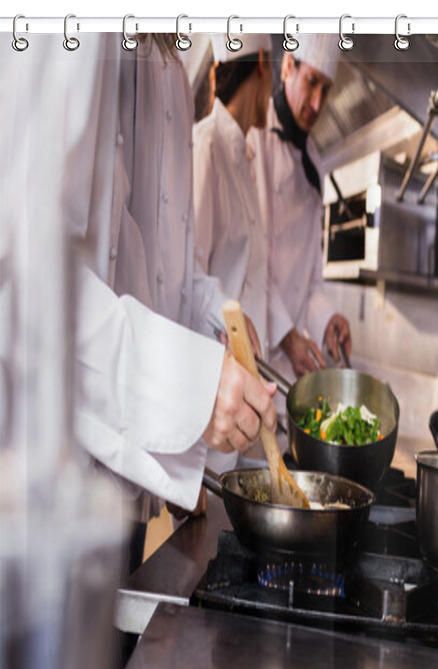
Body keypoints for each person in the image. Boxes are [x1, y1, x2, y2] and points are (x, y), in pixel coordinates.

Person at [0, 33, 277, 573]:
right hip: (39, 486)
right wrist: (192, 393)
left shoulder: (166, 65)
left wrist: (220, 315)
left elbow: (158, 261)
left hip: (124, 476)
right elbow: (28, 289)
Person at [248, 34, 352, 386]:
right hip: (254, 357)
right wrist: (288, 335)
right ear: (288, 66)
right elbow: (250, 262)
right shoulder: (253, 138)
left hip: (291, 375)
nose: (318, 102)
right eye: (312, 83)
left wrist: (328, 320)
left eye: (327, 89)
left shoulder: (315, 168)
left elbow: (310, 283)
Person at [192, 34, 274, 359]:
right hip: (217, 374)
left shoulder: (244, 156)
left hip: (246, 374)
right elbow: (190, 276)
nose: (271, 96)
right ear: (261, 64)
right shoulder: (206, 146)